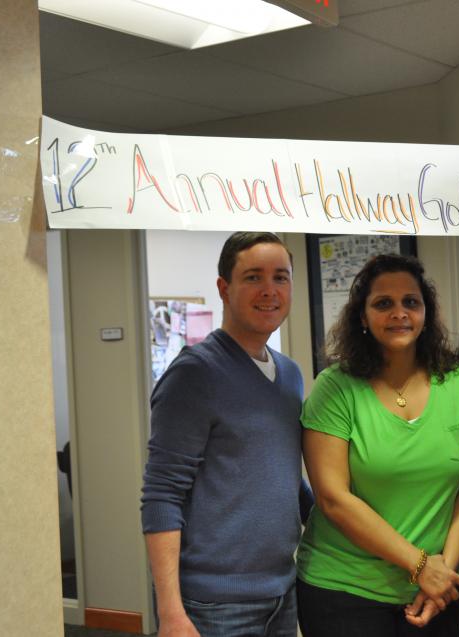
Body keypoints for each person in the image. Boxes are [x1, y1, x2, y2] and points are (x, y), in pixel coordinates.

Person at [296, 253, 459, 637]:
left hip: (442, 590)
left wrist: (441, 574)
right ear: (362, 318)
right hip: (345, 591)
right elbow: (333, 498)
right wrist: (419, 566)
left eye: (410, 302)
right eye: (383, 303)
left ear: (425, 313)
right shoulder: (335, 388)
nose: (399, 313)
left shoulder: (455, 382)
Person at [141, 232, 306, 637]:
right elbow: (162, 494)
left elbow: (280, 475)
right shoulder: (194, 374)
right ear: (224, 287)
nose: (269, 291)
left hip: (282, 592)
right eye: (253, 277)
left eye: (280, 278)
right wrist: (171, 613)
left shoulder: (290, 374)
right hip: (213, 606)